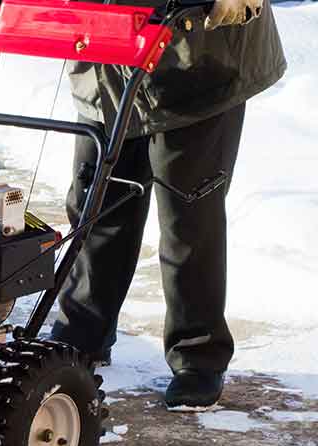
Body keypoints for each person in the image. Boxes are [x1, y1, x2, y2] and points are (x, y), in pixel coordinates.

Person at [51, 0, 287, 409]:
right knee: (98, 202)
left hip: (200, 57)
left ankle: (198, 354)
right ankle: (84, 330)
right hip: (106, 53)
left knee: (188, 213)